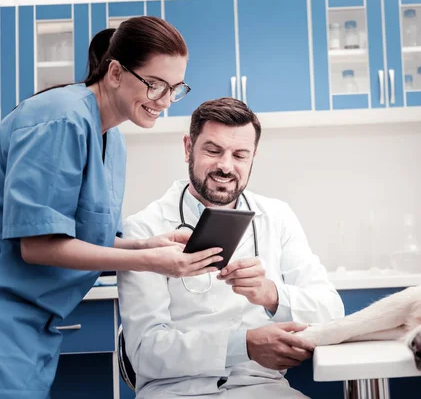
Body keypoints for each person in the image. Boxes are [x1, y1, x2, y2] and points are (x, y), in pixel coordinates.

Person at [0, 17, 224, 398]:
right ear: (116, 72)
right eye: (155, 85)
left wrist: (146, 245)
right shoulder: (61, 119)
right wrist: (156, 263)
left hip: (35, 324)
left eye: (175, 89)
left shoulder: (113, 140)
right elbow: (37, 245)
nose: (165, 101)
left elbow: (83, 238)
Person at [117, 97, 345, 399]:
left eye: (240, 155)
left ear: (254, 157)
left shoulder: (277, 218)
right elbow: (145, 351)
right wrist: (245, 345)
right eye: (213, 151)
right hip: (175, 391)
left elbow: (332, 311)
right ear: (188, 148)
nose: (226, 166)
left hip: (263, 389)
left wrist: (272, 295)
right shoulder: (145, 228)